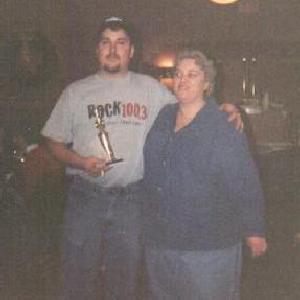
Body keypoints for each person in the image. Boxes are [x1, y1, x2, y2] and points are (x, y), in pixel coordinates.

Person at [41, 17, 243, 300]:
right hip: (85, 198)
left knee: (124, 279)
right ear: (97, 50)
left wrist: (225, 107)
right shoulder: (75, 92)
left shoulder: (151, 89)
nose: (113, 49)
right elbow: (52, 141)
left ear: (131, 51)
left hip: (133, 200)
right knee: (77, 275)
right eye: (105, 43)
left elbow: (191, 102)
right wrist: (80, 162)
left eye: (121, 43)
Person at [142, 49, 267, 300]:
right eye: (178, 74)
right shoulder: (163, 116)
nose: (182, 80)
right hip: (161, 241)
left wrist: (254, 230)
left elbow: (245, 181)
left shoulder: (223, 124)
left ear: (206, 83)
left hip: (208, 247)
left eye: (192, 75)